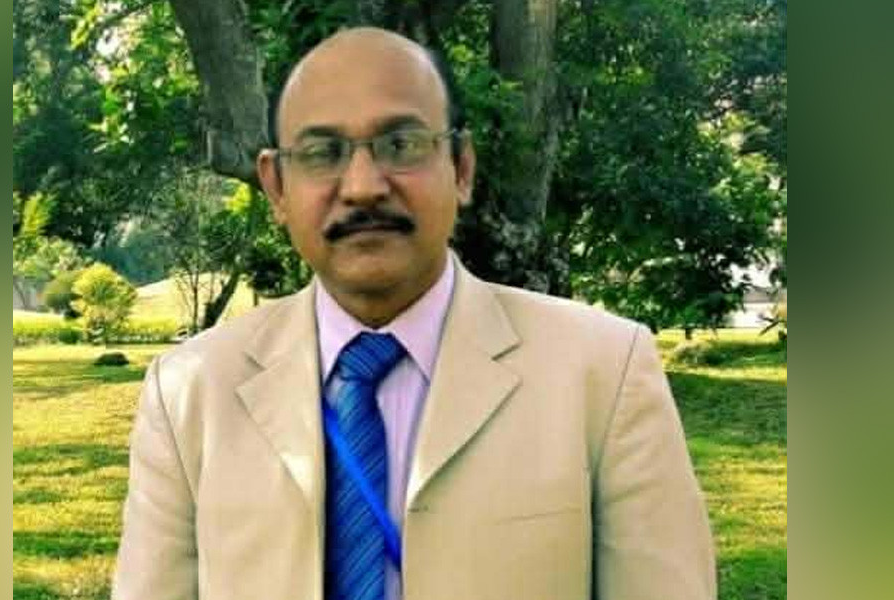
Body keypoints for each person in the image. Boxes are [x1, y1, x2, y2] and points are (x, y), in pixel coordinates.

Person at [112, 27, 716, 600]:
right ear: (275, 187)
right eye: (322, 153)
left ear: (462, 168)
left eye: (401, 145)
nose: (363, 186)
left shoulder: (602, 373)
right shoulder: (191, 392)